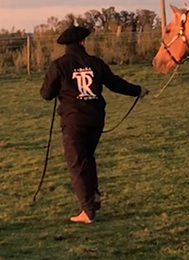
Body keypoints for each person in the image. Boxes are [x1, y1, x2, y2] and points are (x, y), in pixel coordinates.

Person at [40, 24, 149, 223]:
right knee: (87, 157)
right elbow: (115, 83)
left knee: (76, 163)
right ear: (82, 42)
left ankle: (87, 210)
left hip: (74, 120)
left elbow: (46, 94)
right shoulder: (95, 63)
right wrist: (138, 90)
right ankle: (94, 195)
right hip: (96, 118)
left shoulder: (59, 65)